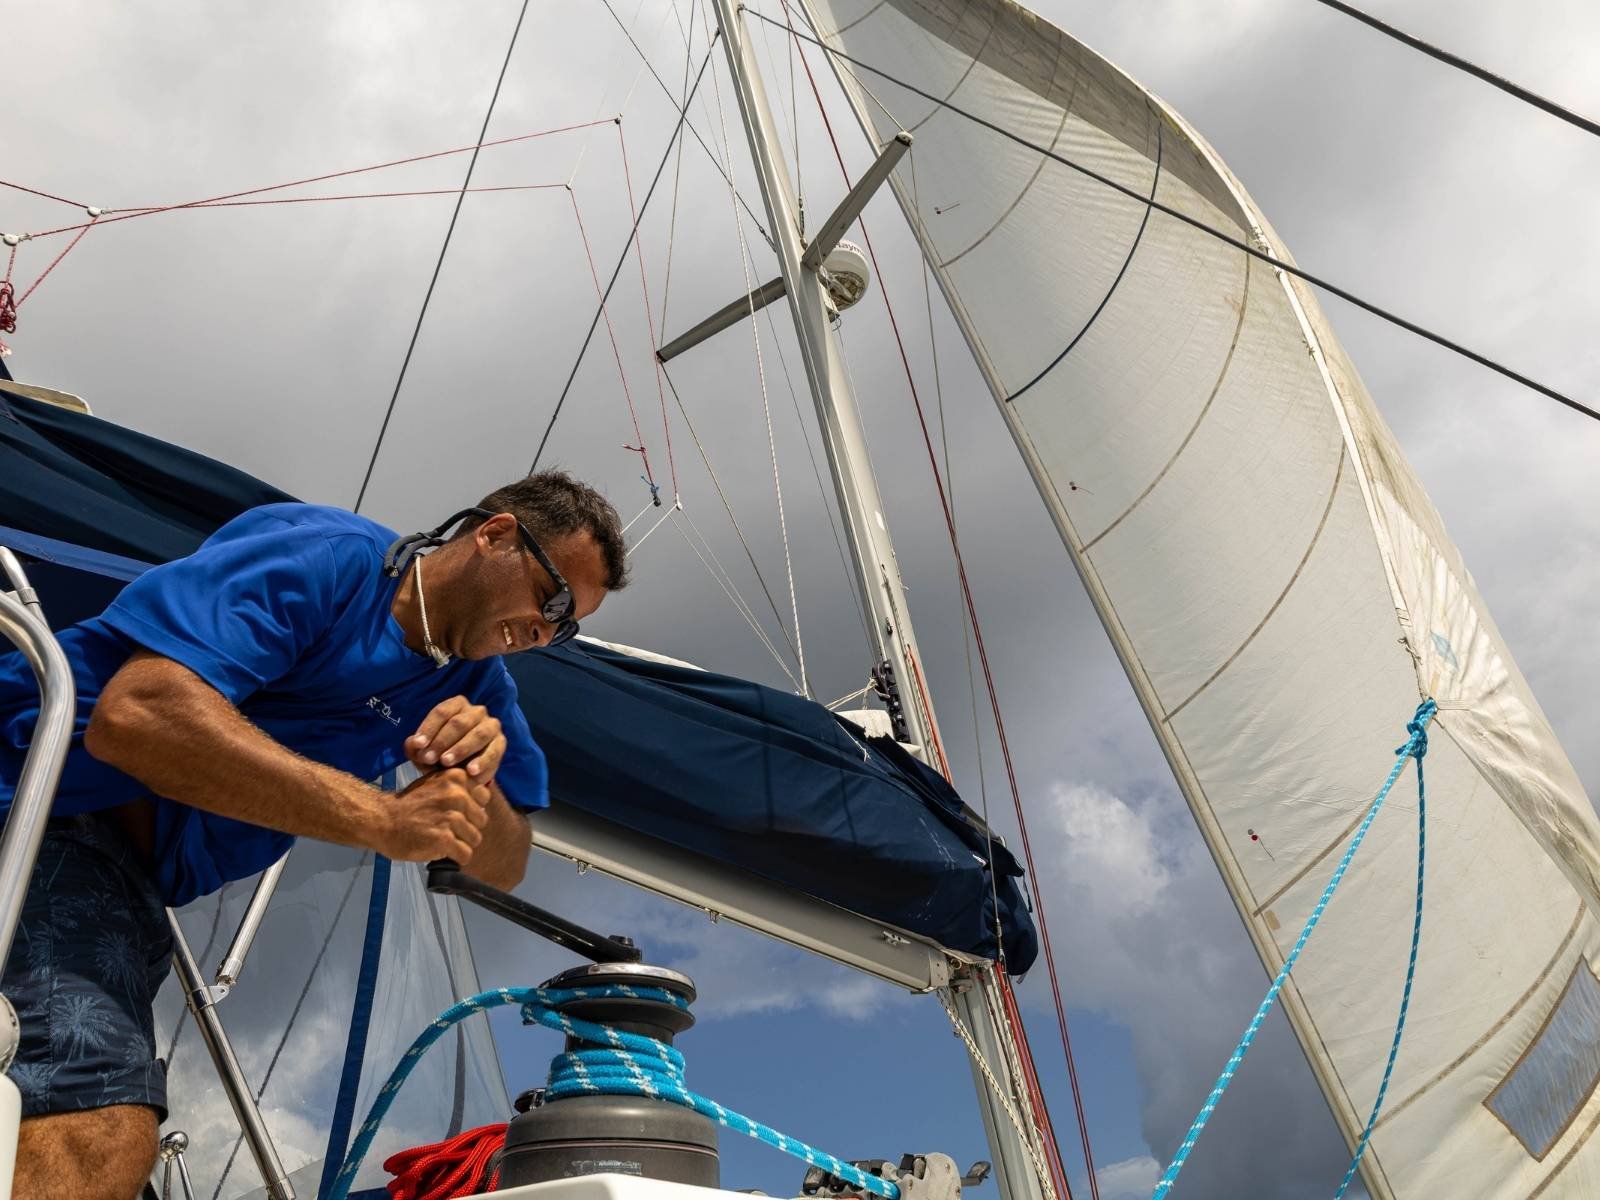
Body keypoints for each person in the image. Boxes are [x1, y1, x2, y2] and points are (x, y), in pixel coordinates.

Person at [0, 469, 628, 1200]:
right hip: (34, 812)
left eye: (566, 626)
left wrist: (475, 783)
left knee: (107, 1144)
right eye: (550, 598)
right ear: (493, 535)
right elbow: (138, 717)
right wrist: (383, 819)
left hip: (124, 895)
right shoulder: (325, 559)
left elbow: (505, 864)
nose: (543, 631)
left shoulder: (478, 692)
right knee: (96, 1131)